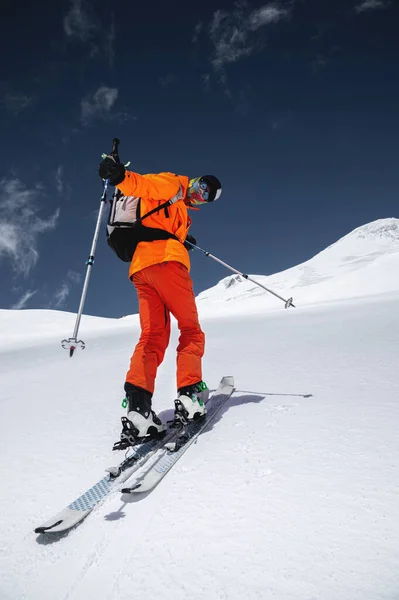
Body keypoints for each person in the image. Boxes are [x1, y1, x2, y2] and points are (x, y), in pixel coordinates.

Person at [99, 155, 222, 444]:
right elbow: (143, 185)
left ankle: (139, 410)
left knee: (153, 334)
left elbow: (154, 220)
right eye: (203, 186)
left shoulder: (181, 210)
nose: (201, 194)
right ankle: (190, 394)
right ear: (195, 180)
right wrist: (119, 177)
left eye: (207, 197)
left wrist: (182, 238)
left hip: (142, 268)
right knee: (191, 329)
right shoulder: (174, 184)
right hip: (166, 263)